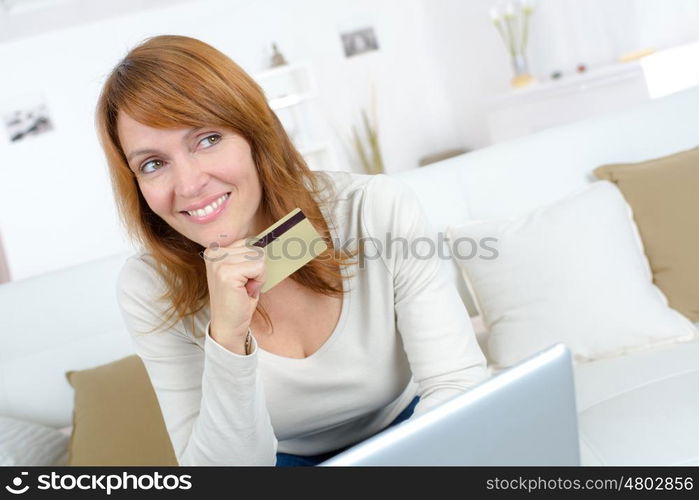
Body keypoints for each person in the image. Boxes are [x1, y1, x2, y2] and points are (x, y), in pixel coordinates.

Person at [97, 34, 488, 466]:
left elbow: (457, 383)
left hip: (420, 428)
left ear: (254, 134)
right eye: (153, 164)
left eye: (207, 139)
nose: (189, 185)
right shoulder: (150, 286)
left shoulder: (371, 210)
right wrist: (227, 337)